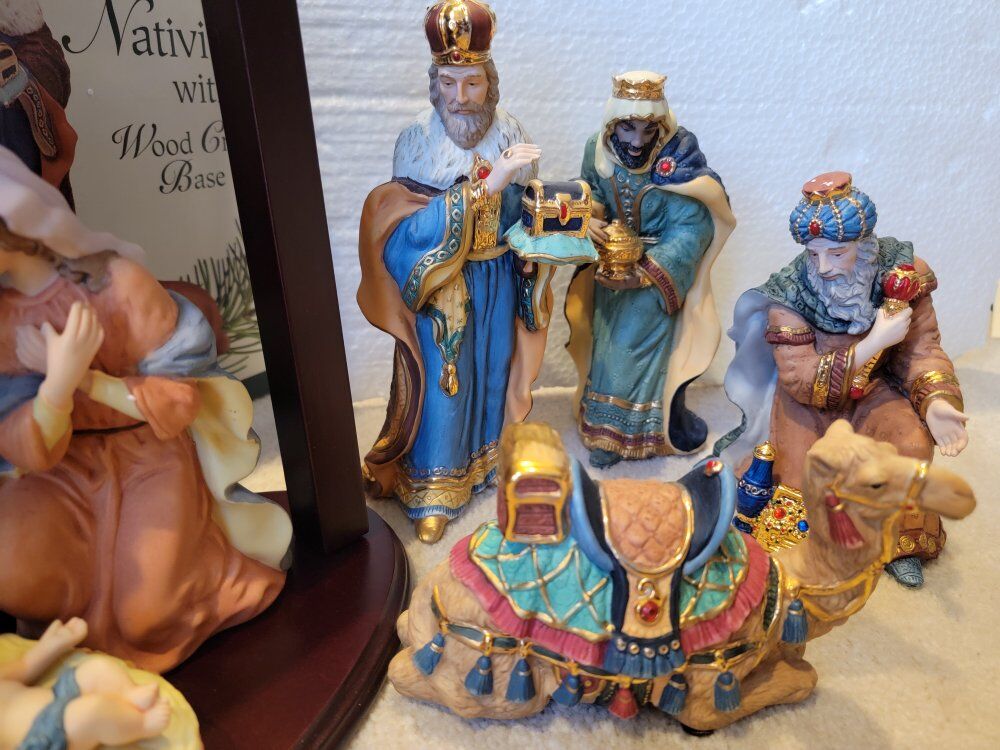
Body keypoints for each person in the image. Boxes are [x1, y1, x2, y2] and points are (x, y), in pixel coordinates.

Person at [0, 146, 292, 671]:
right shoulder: (4, 321)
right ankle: (79, 627)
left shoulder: (118, 286)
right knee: (14, 574)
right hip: (61, 469)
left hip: (150, 454)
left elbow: (180, 402)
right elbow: (23, 446)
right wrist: (56, 387)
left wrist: (87, 379)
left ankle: (217, 569)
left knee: (149, 615)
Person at [717, 171, 968, 587]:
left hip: (872, 393)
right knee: (807, 470)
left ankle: (894, 542)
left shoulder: (901, 276)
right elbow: (799, 378)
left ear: (864, 247)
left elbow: (921, 350)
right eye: (814, 254)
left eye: (837, 254)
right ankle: (812, 546)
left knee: (911, 444)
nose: (824, 267)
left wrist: (937, 402)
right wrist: (874, 342)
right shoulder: (791, 293)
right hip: (808, 403)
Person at [358, 0, 549, 543]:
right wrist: (489, 184)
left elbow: (525, 206)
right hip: (445, 285)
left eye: (472, 83)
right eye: (448, 83)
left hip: (500, 276)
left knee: (494, 372)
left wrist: (540, 236)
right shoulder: (416, 141)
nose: (461, 97)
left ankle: (486, 466)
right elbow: (406, 231)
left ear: (491, 82)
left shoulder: (510, 131)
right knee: (448, 384)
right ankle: (434, 490)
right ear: (434, 85)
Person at [566, 71, 735, 468]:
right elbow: (592, 192)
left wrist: (645, 271)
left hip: (656, 279)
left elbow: (692, 226)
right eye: (628, 128)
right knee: (605, 347)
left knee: (628, 351)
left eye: (647, 130)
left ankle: (636, 434)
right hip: (608, 271)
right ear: (613, 124)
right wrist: (587, 219)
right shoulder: (597, 149)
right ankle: (605, 430)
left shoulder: (678, 158)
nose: (637, 142)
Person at [0, 618, 171, 749]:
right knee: (92, 712)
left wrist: (53, 643)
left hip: (57, 695)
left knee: (97, 668)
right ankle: (141, 723)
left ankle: (129, 695)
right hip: (43, 736)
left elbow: (26, 665)